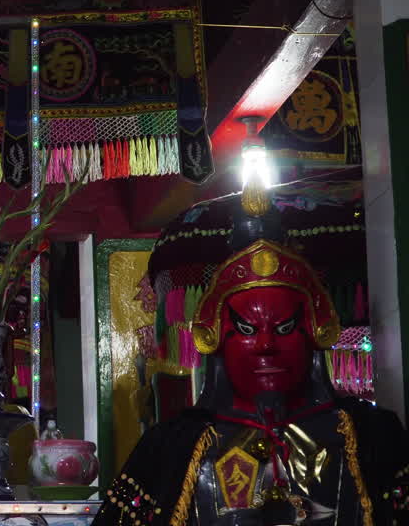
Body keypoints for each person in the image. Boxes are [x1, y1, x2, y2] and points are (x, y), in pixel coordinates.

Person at [93, 183, 409, 525]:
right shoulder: (170, 446)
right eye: (246, 329)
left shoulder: (373, 435)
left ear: (314, 332)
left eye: (285, 327)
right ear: (216, 339)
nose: (265, 344)